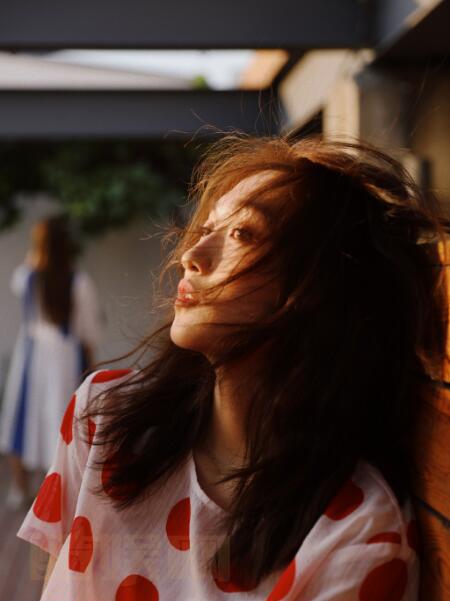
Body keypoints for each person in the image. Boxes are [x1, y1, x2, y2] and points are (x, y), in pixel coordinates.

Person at [16, 136, 448, 600]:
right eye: (206, 229)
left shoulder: (356, 536)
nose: (191, 256)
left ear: (320, 288)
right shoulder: (103, 418)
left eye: (243, 233)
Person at [0, 215, 102, 509]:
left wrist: (36, 255)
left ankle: (20, 489)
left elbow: (18, 280)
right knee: (59, 420)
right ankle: (57, 493)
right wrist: (91, 367)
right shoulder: (79, 282)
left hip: (32, 354)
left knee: (22, 415)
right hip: (64, 358)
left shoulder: (28, 277)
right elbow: (88, 331)